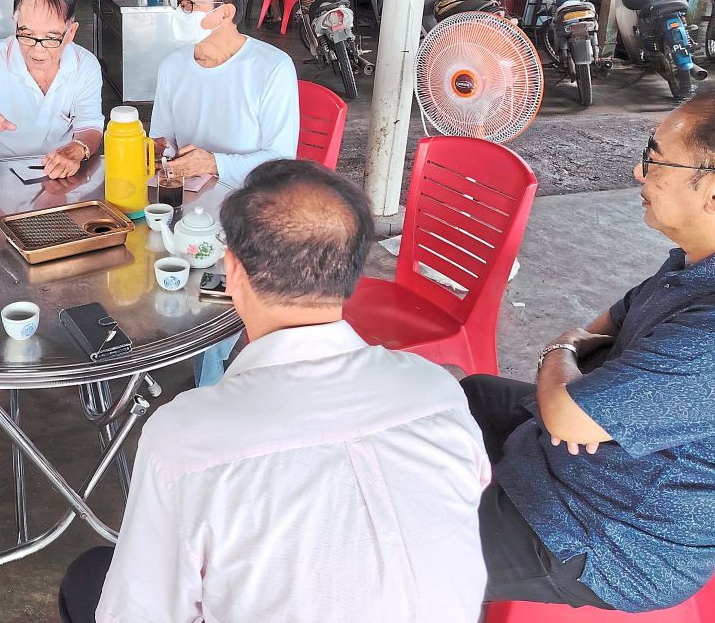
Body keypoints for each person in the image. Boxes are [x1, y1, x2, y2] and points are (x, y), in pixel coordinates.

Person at [59, 160, 490, 623]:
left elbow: (137, 615)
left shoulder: (184, 438)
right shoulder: (438, 392)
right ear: (352, 275)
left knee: (90, 577)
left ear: (233, 272)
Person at [461, 90, 715, 612]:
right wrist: (575, 391)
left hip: (605, 535)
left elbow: (568, 412)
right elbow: (614, 320)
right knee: (470, 396)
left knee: (398, 543)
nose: (638, 173)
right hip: (593, 459)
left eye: (655, 160)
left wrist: (561, 348)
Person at [152, 0, 299, 386]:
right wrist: (159, 151)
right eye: (178, 0)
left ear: (225, 12)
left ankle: (210, 372)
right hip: (184, 204)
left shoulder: (270, 68)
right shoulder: (173, 66)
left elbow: (280, 163)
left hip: (247, 211)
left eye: (188, 4)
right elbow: (163, 138)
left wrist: (214, 162)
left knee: (209, 300)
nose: (178, 12)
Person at [0, 0, 103, 178]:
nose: (38, 49)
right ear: (16, 25)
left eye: (51, 38)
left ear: (70, 33)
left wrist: (75, 149)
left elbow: (90, 125)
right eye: (27, 34)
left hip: (57, 175)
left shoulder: (85, 65)